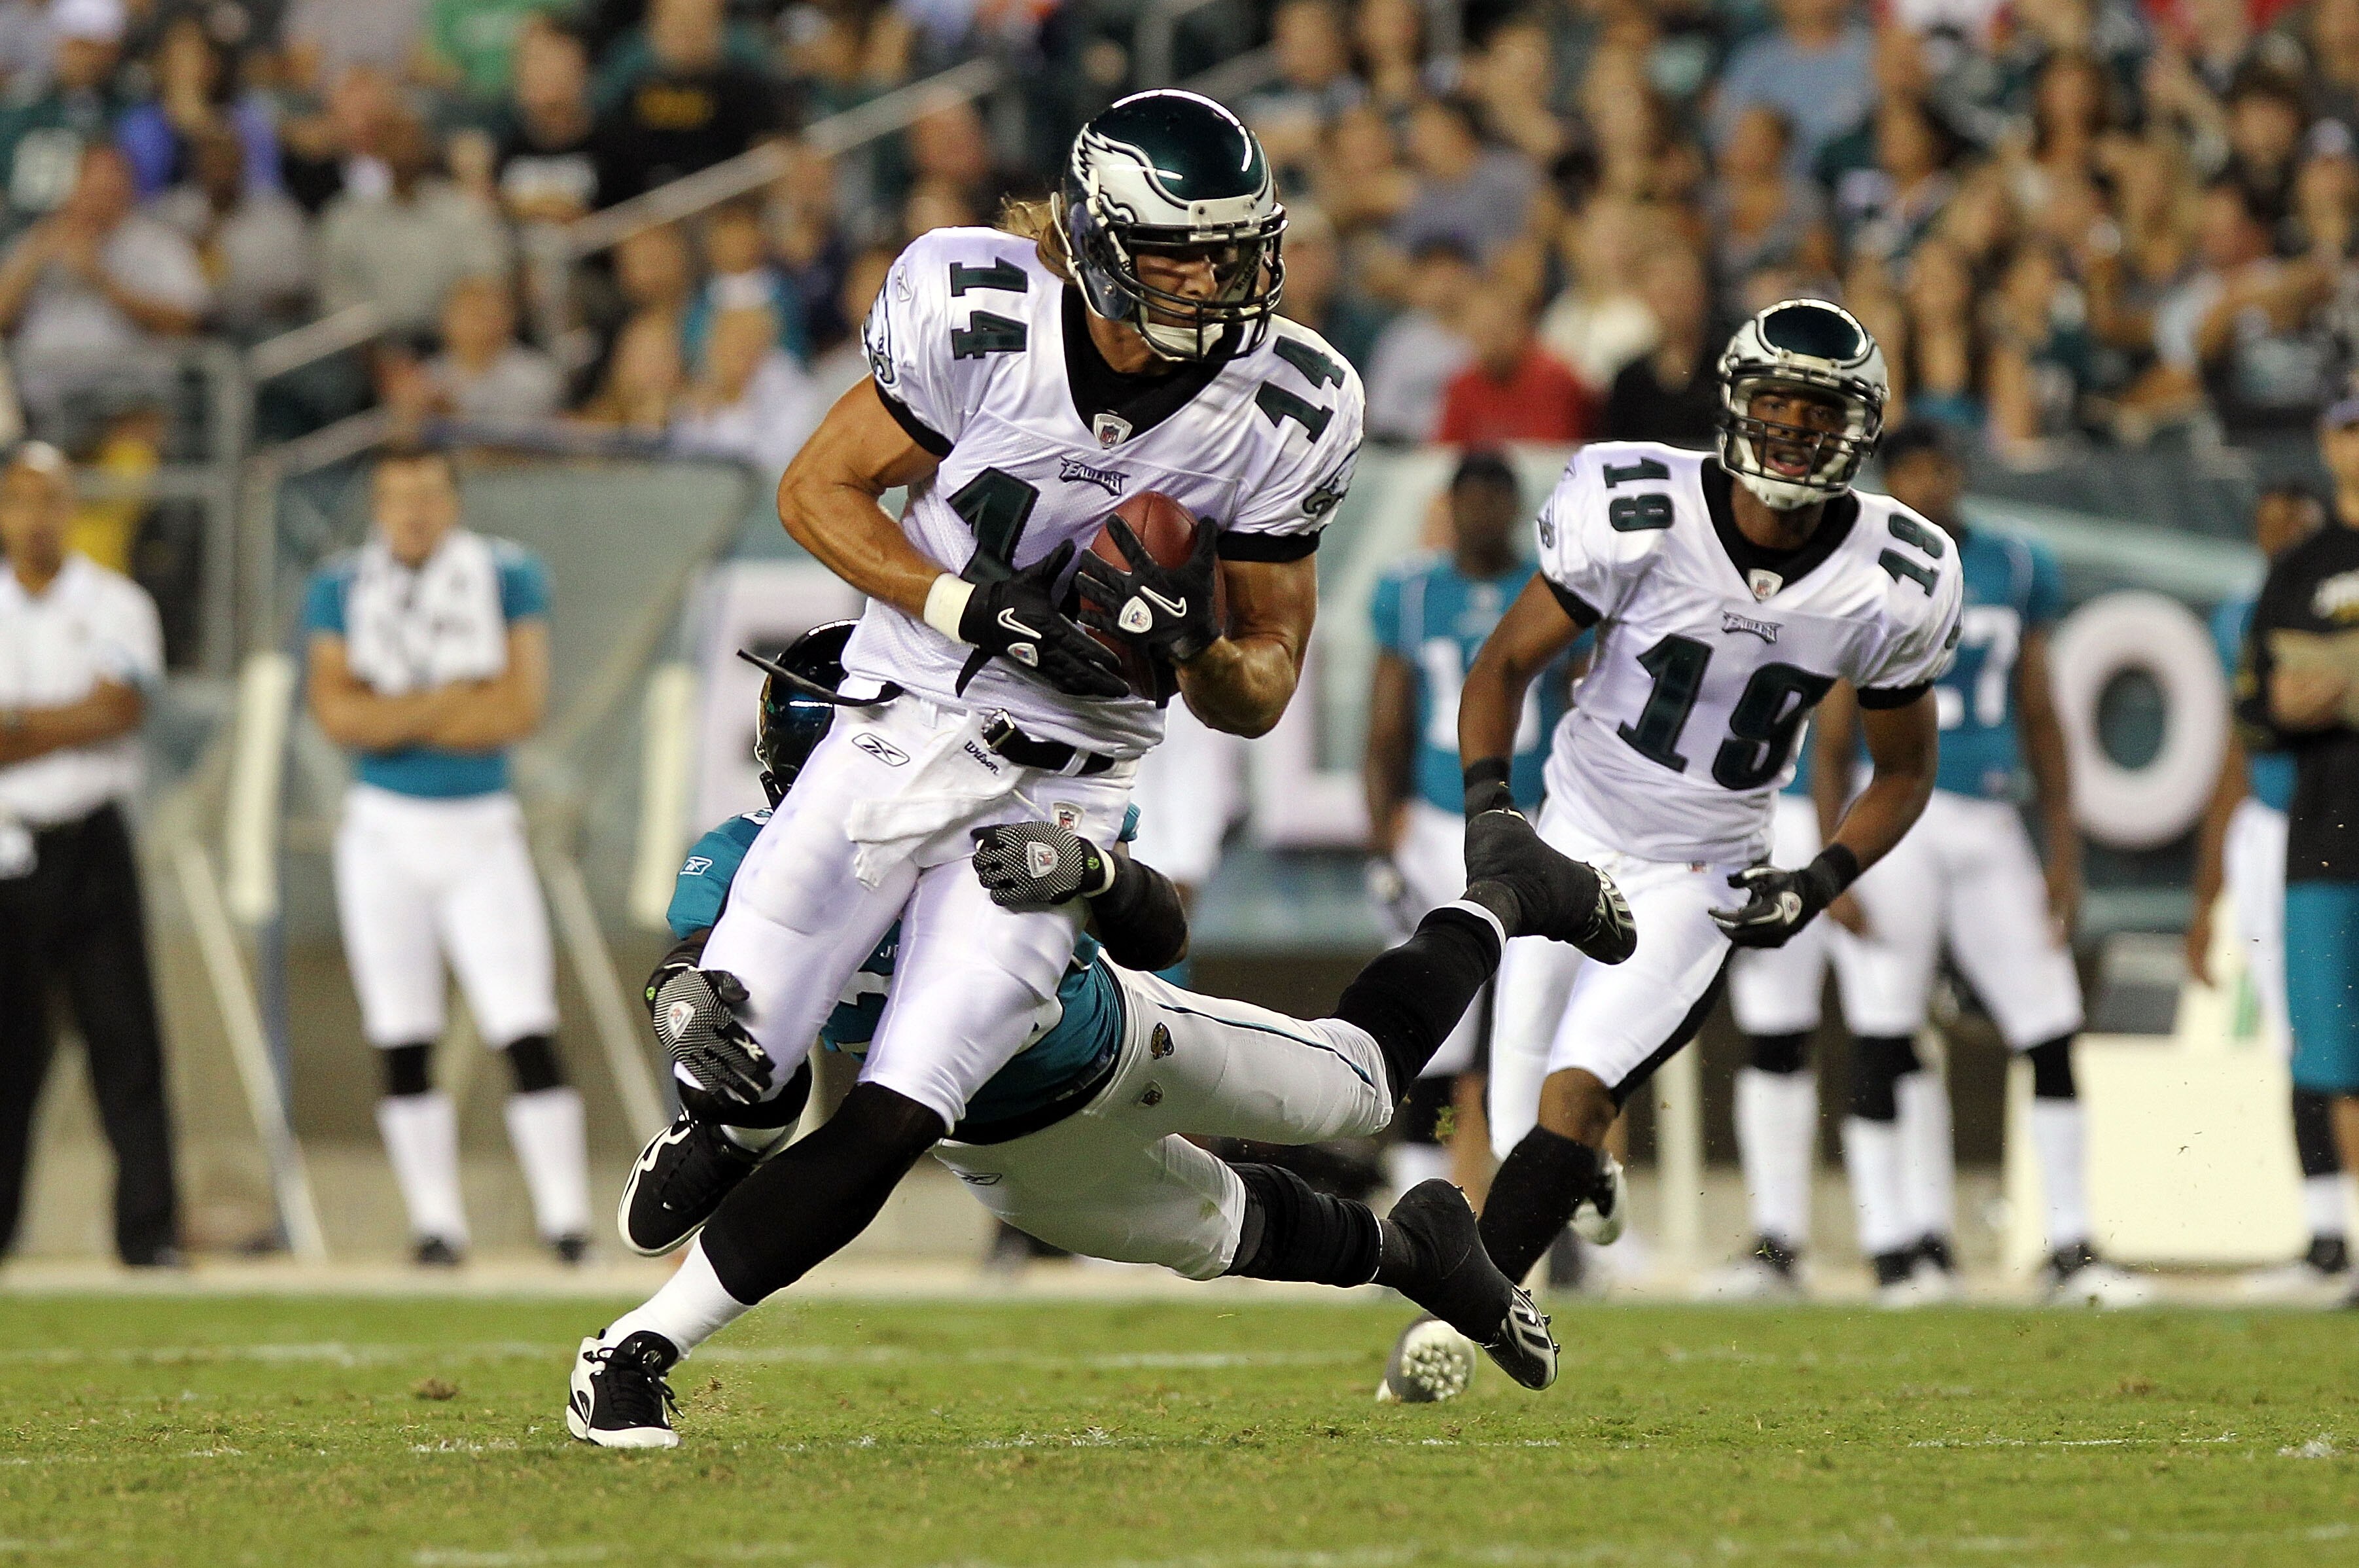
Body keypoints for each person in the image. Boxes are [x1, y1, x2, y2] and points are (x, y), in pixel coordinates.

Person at [609, 91, 1363, 1372]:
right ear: (1104, 243)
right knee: (743, 1042)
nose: (1217, 281)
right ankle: (725, 1125)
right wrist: (964, 603)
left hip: (1066, 784)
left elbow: (1263, 686)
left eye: (1233, 252)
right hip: (901, 717)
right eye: (1181, 252)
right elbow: (818, 488)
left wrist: (1191, 644)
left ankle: (639, 1351)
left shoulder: (1286, 403)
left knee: (913, 1094)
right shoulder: (980, 313)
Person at [568, 626, 1635, 1445]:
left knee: (1357, 1087)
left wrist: (1097, 872)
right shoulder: (756, 854)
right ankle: (1422, 1251)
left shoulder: (999, 798)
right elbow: (701, 957)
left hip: (1121, 1044)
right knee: (1226, 1235)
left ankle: (1504, 892)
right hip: (1008, 1157)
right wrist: (679, 1002)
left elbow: (1161, 927)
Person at [1381, 300, 1964, 1398]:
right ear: (1737, 404)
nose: (1794, 431)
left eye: (1820, 412)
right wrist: (1492, 810)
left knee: (1573, 1095)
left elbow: (1903, 771)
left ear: (1858, 427)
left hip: (1705, 873)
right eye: (1777, 404)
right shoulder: (1640, 507)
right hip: (1572, 837)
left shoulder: (1892, 574)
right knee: (1514, 1127)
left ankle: (1448, 1337)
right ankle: (1579, 1175)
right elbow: (1503, 665)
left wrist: (1819, 878)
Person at [1758, 421, 2143, 1306]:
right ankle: (1892, 1248)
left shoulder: (2014, 562)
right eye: (1913, 471)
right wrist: (1831, 856)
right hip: (1895, 816)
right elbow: (1832, 731)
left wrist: (2063, 849)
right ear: (1890, 480)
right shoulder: (1864, 564)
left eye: (1940, 468)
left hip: (1988, 817)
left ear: (1959, 472)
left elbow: (2040, 712)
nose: (1930, 485)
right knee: (1883, 1025)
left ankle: (2072, 1242)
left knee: (2048, 1020)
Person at [302, 445, 590, 1267]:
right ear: (376, 507)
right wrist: (453, 698)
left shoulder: (505, 573)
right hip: (381, 831)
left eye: (427, 494)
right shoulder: (339, 585)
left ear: (454, 501)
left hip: (480, 824)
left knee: (523, 1019)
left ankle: (566, 1220)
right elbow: (337, 719)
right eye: (397, 496)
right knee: (401, 1030)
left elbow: (517, 707)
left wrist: (392, 711)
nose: (414, 512)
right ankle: (435, 1224)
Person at [1365, 450, 1570, 1198]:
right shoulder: (1411, 591)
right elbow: (1386, 723)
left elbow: (1580, 712)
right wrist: (1380, 839)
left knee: (1537, 1033)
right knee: (1429, 1034)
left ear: (1515, 508)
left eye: (1494, 497)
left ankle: (1546, 1218)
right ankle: (1417, 1210)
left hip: (1533, 822)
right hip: (1434, 829)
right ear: (1449, 506)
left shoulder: (1551, 588)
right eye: (1469, 498)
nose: (1481, 513)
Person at [0, 440, 179, 1268]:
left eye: (51, 500)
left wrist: (17, 725)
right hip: (7, 845)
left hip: (91, 840)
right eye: (19, 500)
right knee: (8, 1053)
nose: (36, 518)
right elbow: (88, 711)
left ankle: (148, 1234)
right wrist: (64, 718)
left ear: (72, 508)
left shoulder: (116, 602)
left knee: (126, 1040)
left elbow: (117, 710)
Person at [2190, 484, 2347, 1300]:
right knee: (2304, 1029)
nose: (2281, 536)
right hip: (2276, 829)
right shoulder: (2244, 612)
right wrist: (2204, 896)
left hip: (2332, 822)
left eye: (2296, 523)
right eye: (2267, 525)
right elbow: (2236, 744)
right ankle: (2324, 1232)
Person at [2237, 395, 2359, 1312]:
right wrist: (2301, 696)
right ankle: (2340, 1243)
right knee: (2328, 1045)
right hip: (2326, 829)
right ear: (2327, 439)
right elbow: (2259, 707)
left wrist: (2326, 675)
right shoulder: (2300, 567)